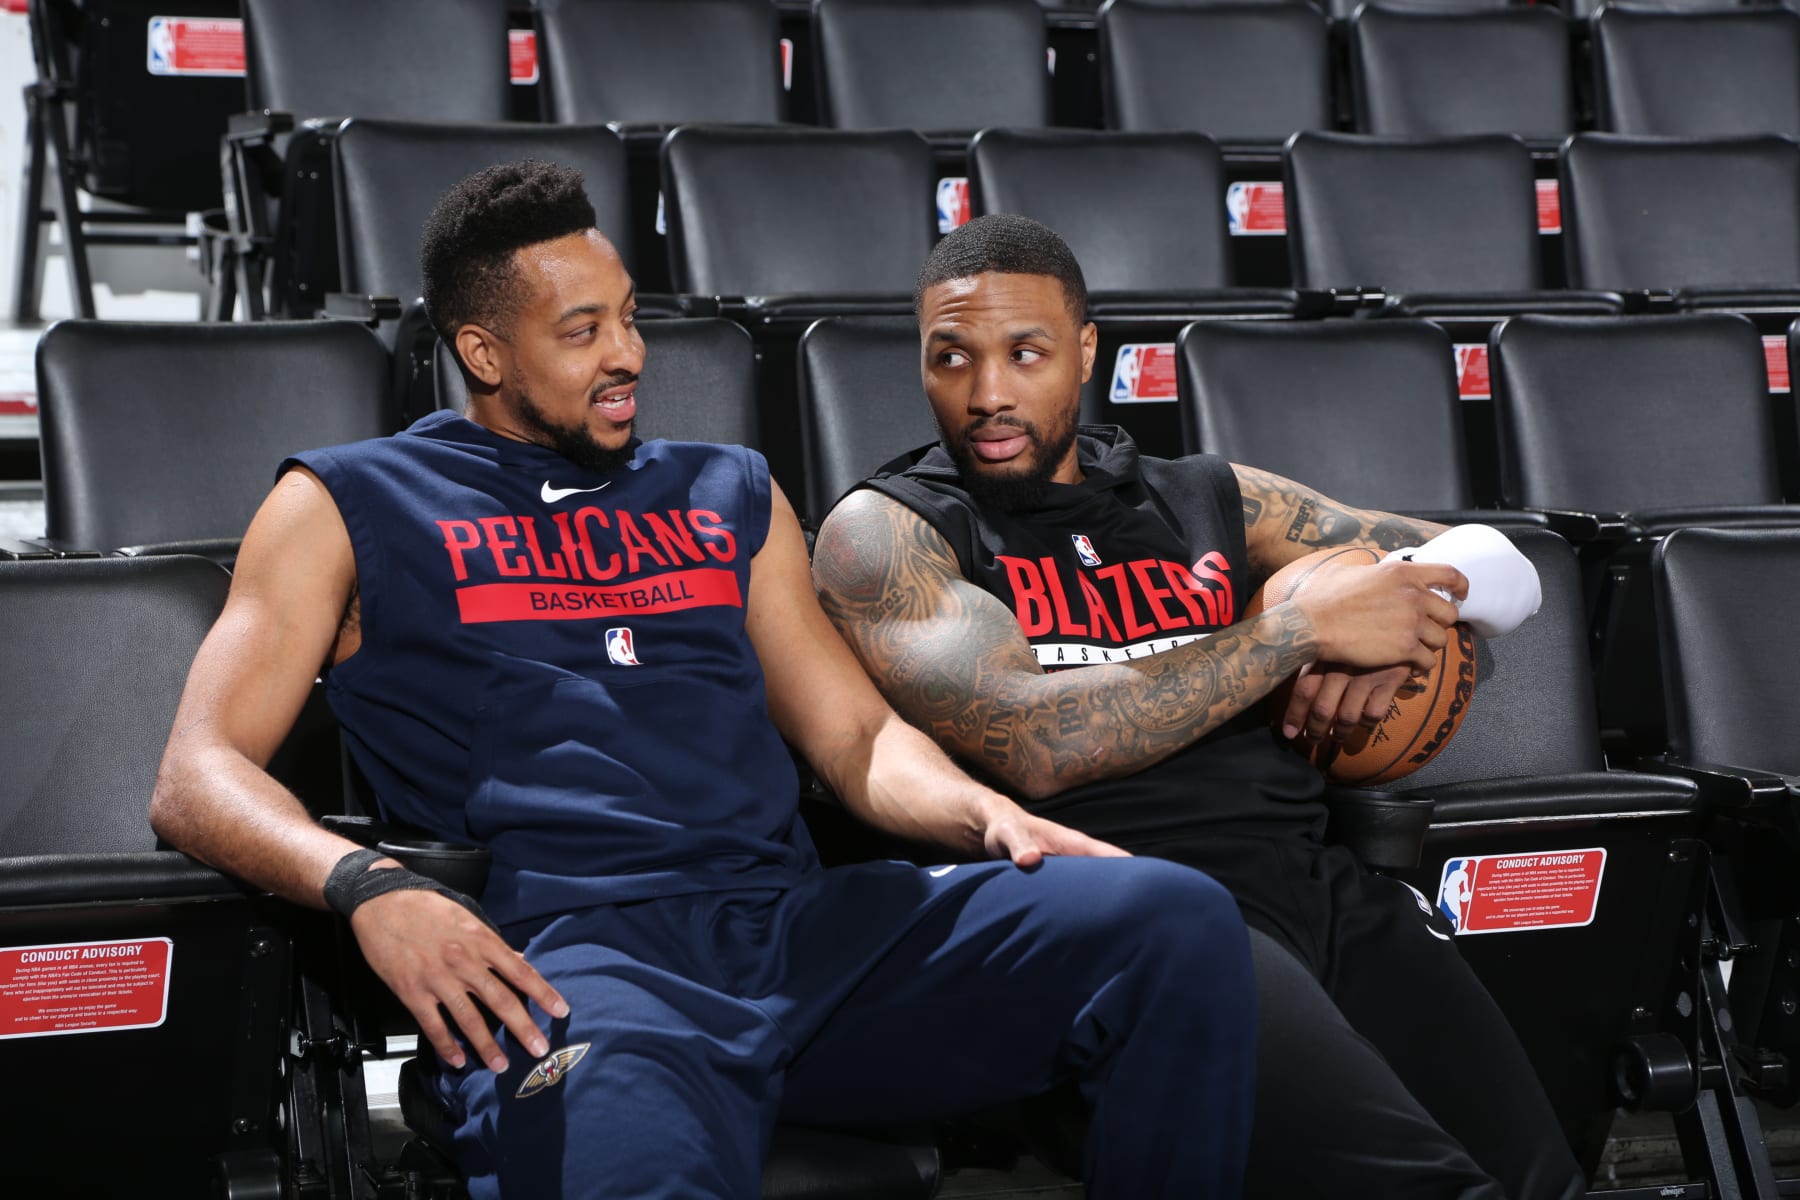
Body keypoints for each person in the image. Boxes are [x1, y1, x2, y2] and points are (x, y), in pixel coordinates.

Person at [148, 164, 1257, 1198]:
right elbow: (195, 776)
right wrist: (369, 887)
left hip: (801, 941)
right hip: (575, 973)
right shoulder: (347, 503)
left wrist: (985, 816)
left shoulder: (726, 490)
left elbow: (856, 742)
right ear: (484, 354)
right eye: (582, 333)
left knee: (1171, 920)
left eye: (628, 316)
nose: (627, 352)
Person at [810, 213, 1587, 1200]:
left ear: (1086, 352)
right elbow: (1037, 739)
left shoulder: (1203, 496)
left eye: (1026, 353)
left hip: (1318, 889)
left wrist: (1395, 626)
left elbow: (1501, 565)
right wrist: (1300, 632)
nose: (988, 393)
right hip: (1135, 928)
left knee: (1547, 1182)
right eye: (951, 357)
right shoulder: (890, 533)